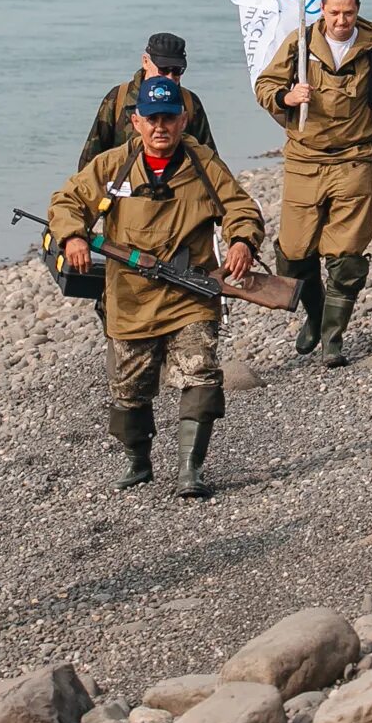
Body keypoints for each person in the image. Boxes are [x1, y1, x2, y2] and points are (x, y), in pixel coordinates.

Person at [49, 76, 262, 497]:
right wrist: (73, 235)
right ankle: (138, 461)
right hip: (130, 297)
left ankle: (189, 471)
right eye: (152, 118)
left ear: (183, 120)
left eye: (168, 117)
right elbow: (66, 201)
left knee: (201, 375)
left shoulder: (202, 164)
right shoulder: (112, 165)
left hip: (191, 295)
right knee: (128, 391)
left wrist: (241, 240)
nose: (160, 126)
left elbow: (240, 206)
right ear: (136, 120)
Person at [254, 0, 372, 367]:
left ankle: (332, 338)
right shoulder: (300, 43)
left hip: (354, 159)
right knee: (293, 253)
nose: (342, 20)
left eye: (349, 13)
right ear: (322, 10)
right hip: (304, 159)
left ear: (357, 10)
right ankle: (316, 312)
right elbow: (264, 86)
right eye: (334, 13)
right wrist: (287, 96)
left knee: (346, 256)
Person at [77, 31, 216, 168]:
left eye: (177, 71)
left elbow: (210, 161)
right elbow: (90, 162)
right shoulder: (118, 99)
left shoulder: (190, 103)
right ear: (145, 61)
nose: (170, 77)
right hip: (125, 186)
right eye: (163, 69)